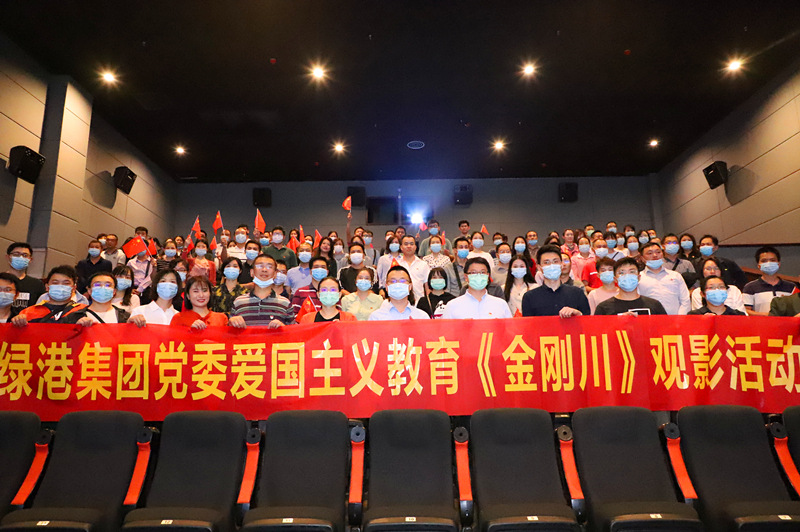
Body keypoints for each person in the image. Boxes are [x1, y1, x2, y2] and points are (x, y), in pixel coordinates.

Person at [521, 245, 590, 317]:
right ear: (539, 267)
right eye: (546, 262)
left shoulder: (577, 293)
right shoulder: (530, 297)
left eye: (555, 261)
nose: (552, 265)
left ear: (561, 264)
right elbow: (528, 323)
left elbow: (587, 320)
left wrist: (578, 314)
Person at [229, 254, 295, 327]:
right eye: (260, 266)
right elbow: (229, 331)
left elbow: (293, 331)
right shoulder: (238, 302)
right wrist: (232, 323)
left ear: (275, 274)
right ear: (252, 272)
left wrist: (283, 328)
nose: (264, 270)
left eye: (269, 267)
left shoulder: (285, 303)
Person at [11, 266, 86, 325]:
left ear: (74, 288)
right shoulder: (28, 313)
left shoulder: (83, 311)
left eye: (66, 283)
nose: (60, 286)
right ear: (47, 287)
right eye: (55, 283)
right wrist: (18, 322)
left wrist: (86, 324)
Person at [442, 258, 512, 319]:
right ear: (466, 277)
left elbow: (509, 329)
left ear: (488, 276)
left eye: (482, 272)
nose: (478, 275)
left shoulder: (501, 304)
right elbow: (446, 329)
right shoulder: (452, 306)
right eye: (474, 272)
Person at [594, 257, 667, 315]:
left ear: (639, 277)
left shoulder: (654, 305)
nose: (627, 276)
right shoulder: (603, 308)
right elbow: (598, 329)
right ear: (615, 279)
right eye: (622, 273)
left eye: (632, 272)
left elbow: (665, 328)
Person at [637, 242, 691, 315]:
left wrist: (680, 318)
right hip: (650, 319)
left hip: (676, 318)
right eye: (650, 253)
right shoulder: (639, 278)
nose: (655, 255)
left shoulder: (675, 275)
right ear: (642, 258)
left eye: (658, 252)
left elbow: (685, 300)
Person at [742, 246, 796, 316]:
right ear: (759, 265)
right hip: (761, 322)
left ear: (778, 264)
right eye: (764, 261)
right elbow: (746, 311)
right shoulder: (750, 287)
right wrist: (769, 315)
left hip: (785, 323)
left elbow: (796, 309)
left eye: (772, 260)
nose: (768, 263)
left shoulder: (791, 287)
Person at [63, 272, 130, 325]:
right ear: (89, 291)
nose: (103, 288)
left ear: (114, 291)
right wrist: (75, 327)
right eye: (97, 285)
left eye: (108, 285)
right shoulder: (74, 317)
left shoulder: (125, 317)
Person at [6, 242, 46, 311]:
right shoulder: (1, 280)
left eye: (25, 255)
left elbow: (40, 309)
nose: (21, 257)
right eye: (16, 254)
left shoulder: (37, 284)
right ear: (8, 257)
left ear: (30, 260)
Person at [396, 235, 430, 300]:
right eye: (406, 244)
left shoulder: (423, 264)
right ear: (401, 247)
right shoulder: (396, 264)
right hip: (400, 300)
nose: (409, 246)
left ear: (415, 247)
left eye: (411, 244)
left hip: (419, 301)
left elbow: (427, 287)